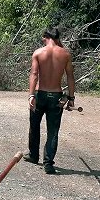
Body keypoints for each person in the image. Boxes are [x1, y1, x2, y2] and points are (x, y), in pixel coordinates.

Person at [24, 27, 75, 174]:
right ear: (57, 38)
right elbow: (70, 76)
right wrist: (71, 98)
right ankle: (48, 163)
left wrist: (31, 95)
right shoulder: (65, 54)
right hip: (56, 96)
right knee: (53, 131)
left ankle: (33, 155)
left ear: (45, 37)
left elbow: (34, 75)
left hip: (40, 94)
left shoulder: (38, 53)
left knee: (34, 125)